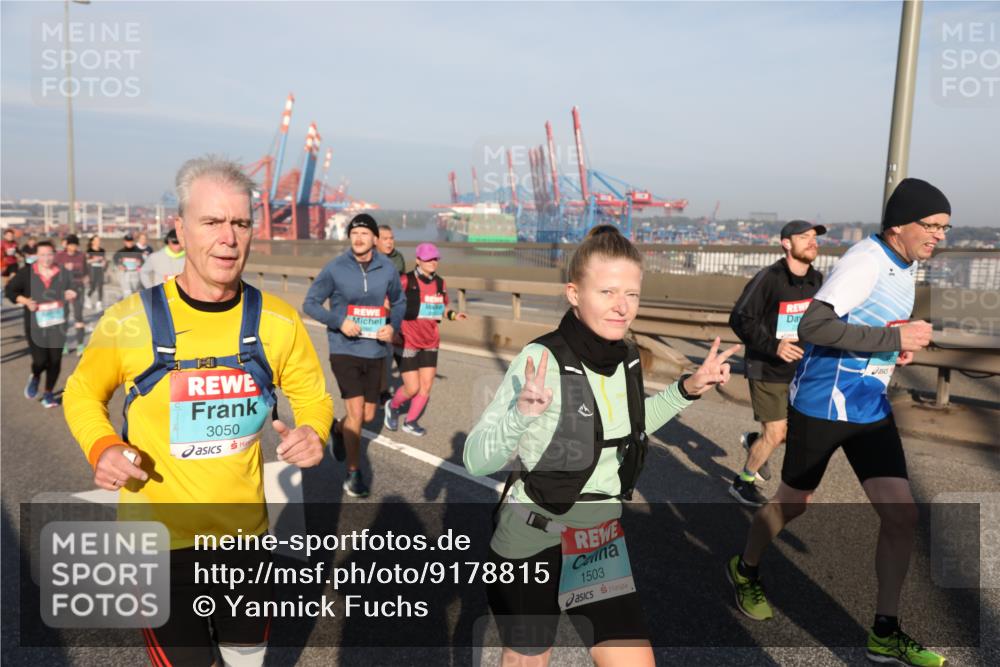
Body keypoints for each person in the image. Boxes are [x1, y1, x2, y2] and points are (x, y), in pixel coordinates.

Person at [63, 156, 333, 667]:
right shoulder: (129, 320)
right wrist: (103, 446)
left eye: (241, 223)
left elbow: (313, 397)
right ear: (181, 229)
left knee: (246, 659)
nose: (228, 238)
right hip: (157, 544)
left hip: (245, 540)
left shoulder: (278, 321)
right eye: (211, 222)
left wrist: (314, 432)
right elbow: (81, 393)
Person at [465, 225, 740, 666]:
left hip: (598, 540)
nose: (621, 306)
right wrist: (521, 416)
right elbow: (477, 460)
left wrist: (686, 389)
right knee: (529, 658)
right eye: (607, 291)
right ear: (574, 293)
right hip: (532, 537)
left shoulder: (626, 357)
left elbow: (630, 428)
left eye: (631, 294)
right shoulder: (541, 360)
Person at [727, 179, 951, 667]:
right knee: (793, 504)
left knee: (902, 516)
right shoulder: (865, 261)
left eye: (944, 228)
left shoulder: (906, 262)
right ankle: (745, 568)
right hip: (823, 404)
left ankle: (884, 633)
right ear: (899, 226)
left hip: (868, 405)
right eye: (931, 225)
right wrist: (893, 339)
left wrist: (894, 342)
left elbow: (868, 326)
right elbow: (814, 325)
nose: (939, 235)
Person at [303, 213, 405, 498]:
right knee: (357, 413)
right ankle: (353, 472)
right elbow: (310, 303)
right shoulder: (336, 268)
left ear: (374, 238)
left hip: (375, 350)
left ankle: (338, 429)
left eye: (364, 233)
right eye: (354, 233)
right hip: (344, 348)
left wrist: (393, 327)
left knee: (369, 414)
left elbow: (399, 301)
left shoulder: (387, 268)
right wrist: (339, 322)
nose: (358, 238)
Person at [726, 220, 824, 506]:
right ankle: (743, 482)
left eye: (815, 237)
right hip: (766, 367)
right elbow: (740, 318)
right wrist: (774, 345)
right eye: (804, 237)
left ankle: (756, 442)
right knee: (777, 432)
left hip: (800, 370)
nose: (813, 241)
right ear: (786, 243)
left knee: (792, 433)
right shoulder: (769, 278)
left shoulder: (817, 281)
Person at [384, 242, 467, 436]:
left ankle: (410, 421)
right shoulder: (405, 280)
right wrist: (392, 326)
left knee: (426, 386)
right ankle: (393, 406)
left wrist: (453, 315)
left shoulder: (440, 283)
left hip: (430, 341)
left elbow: (441, 307)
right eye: (428, 259)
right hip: (408, 341)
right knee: (412, 388)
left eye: (435, 258)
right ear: (418, 260)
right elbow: (387, 302)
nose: (433, 262)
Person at [5, 240, 77, 408]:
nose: (46, 258)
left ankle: (48, 394)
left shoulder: (63, 272)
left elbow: (74, 288)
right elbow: (10, 291)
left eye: (49, 254)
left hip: (58, 324)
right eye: (42, 254)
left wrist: (71, 292)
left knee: (55, 360)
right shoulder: (27, 273)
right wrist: (25, 301)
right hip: (35, 325)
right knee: (40, 361)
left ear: (54, 254)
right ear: (36, 255)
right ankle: (36, 376)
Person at [376, 224, 406, 403]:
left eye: (391, 238)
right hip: (371, 313)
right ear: (376, 241)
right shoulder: (367, 257)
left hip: (390, 313)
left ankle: (383, 390)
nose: (389, 242)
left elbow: (401, 284)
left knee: (387, 352)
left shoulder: (398, 258)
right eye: (385, 239)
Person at [55, 233, 88, 355]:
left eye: (75, 245)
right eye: (71, 245)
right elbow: (54, 272)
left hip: (78, 287)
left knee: (78, 316)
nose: (73, 247)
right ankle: (64, 343)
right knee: (64, 316)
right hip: (63, 288)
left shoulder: (81, 256)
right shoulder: (59, 256)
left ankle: (80, 345)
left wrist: (86, 278)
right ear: (67, 245)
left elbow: (86, 271)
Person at [113, 232, 145, 298]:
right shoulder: (120, 252)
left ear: (133, 241)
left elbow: (143, 262)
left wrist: (140, 264)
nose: (129, 243)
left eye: (131, 241)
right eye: (128, 241)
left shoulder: (138, 251)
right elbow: (115, 259)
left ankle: (122, 299)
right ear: (124, 242)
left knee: (134, 293)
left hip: (135, 274)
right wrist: (119, 265)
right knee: (127, 292)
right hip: (125, 274)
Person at [84, 235, 107, 310]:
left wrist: (104, 262)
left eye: (99, 240)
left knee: (100, 286)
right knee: (93, 287)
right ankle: (87, 297)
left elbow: (104, 260)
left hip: (100, 270)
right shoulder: (89, 250)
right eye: (96, 240)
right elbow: (86, 261)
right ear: (92, 242)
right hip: (92, 270)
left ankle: (99, 303)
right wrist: (94, 260)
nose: (98, 242)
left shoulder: (102, 250)